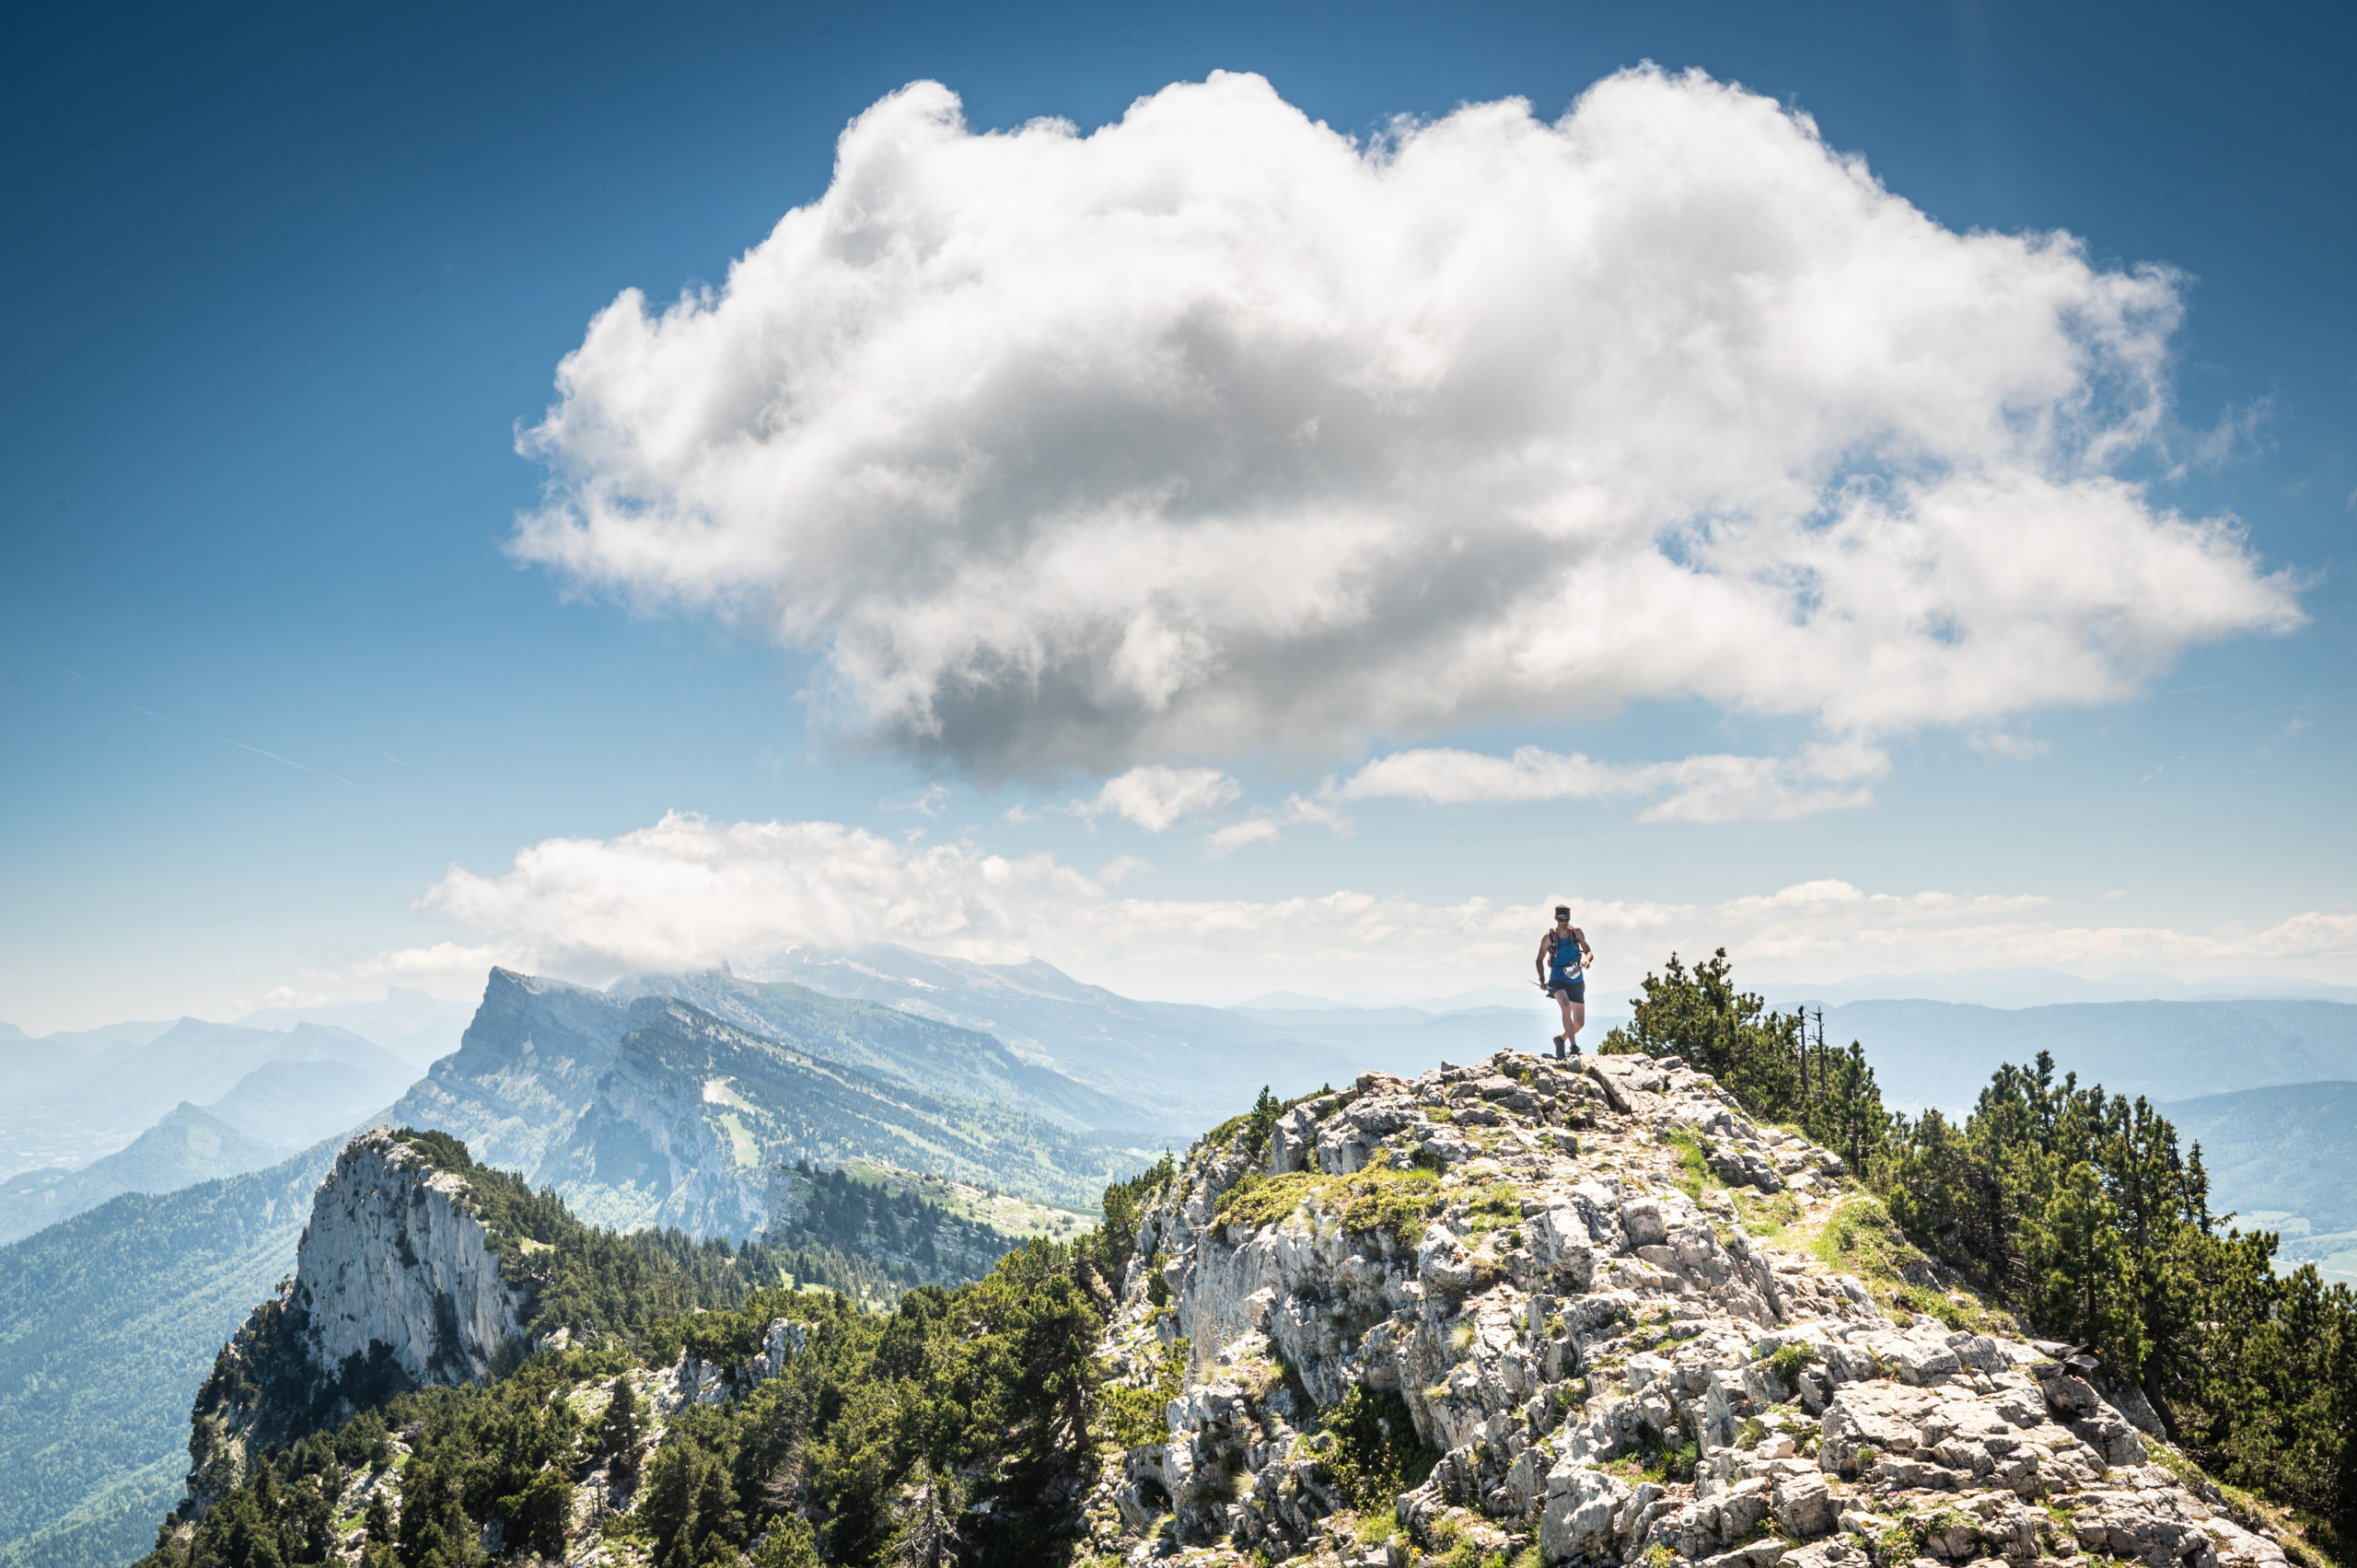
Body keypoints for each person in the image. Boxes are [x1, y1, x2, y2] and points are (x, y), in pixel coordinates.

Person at [1536, 905, 1594, 1059]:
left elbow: (1589, 951)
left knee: (1579, 1023)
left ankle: (1560, 1040)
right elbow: (1539, 960)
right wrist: (1542, 980)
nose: (1563, 922)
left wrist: (1587, 961)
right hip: (1558, 979)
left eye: (1566, 919)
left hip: (1576, 980)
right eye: (1561, 919)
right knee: (1566, 1007)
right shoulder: (1549, 938)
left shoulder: (1576, 932)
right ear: (1556, 918)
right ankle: (1574, 1048)